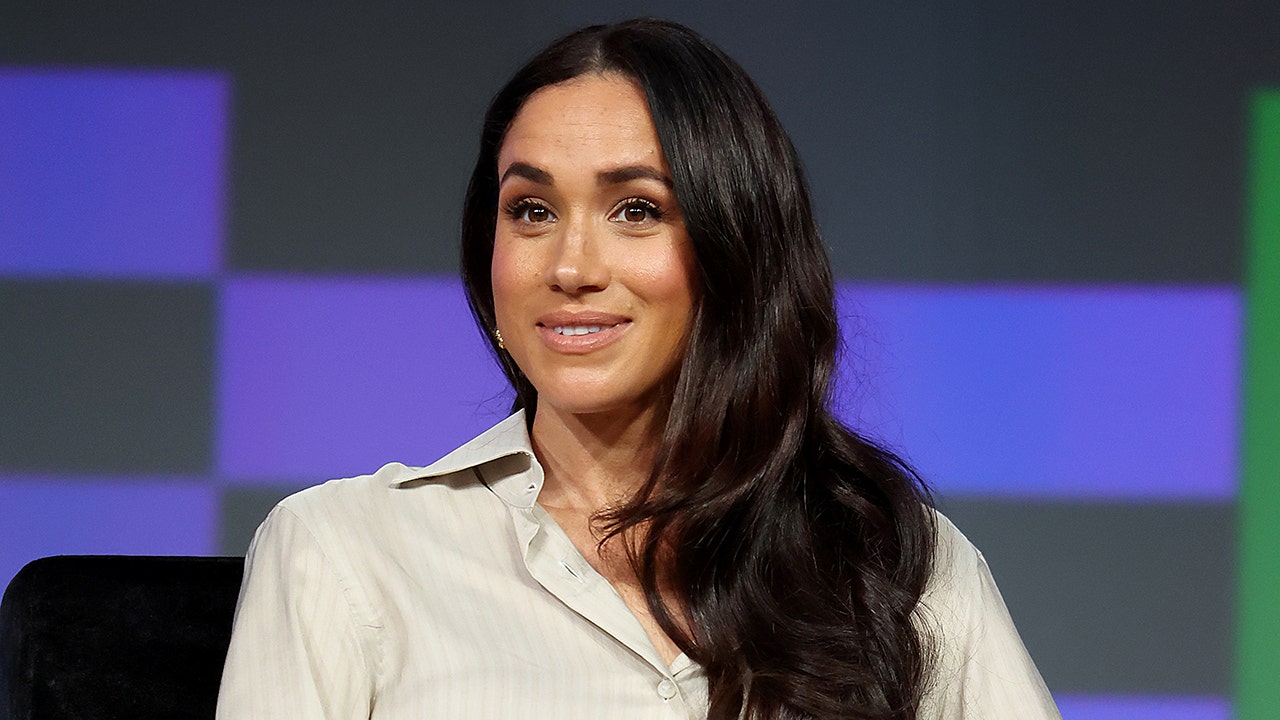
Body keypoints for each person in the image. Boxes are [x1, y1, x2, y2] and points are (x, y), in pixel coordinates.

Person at [216, 18, 1060, 720]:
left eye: (636, 210)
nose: (571, 266)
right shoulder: (343, 552)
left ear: (736, 254)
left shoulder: (895, 563)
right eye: (532, 210)